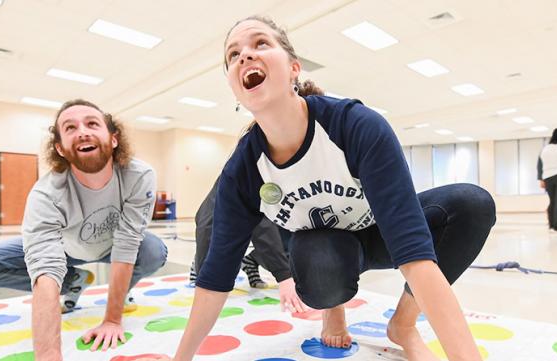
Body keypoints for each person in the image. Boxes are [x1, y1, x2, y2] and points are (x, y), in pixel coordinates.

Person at [169, 16, 496, 361]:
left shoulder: (356, 125)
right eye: (233, 54)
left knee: (472, 205)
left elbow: (413, 251)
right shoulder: (243, 170)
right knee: (321, 254)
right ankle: (334, 308)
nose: (245, 56)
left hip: (378, 232)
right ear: (235, 87)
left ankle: (403, 325)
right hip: (321, 252)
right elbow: (216, 275)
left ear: (294, 68)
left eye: (260, 43)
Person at [0, 99, 168, 359]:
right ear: (59, 148)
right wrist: (49, 355)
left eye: (92, 123)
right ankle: (73, 282)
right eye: (70, 128)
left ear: (113, 139)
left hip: (111, 246)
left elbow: (127, 243)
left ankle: (121, 293)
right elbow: (45, 267)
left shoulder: (139, 175)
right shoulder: (46, 194)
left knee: (154, 250)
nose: (82, 131)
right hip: (64, 248)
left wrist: (113, 320)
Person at [190, 178, 307, 312]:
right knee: (212, 282)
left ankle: (252, 260)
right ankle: (199, 263)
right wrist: (284, 275)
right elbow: (261, 225)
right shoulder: (246, 170)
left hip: (282, 203)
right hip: (234, 206)